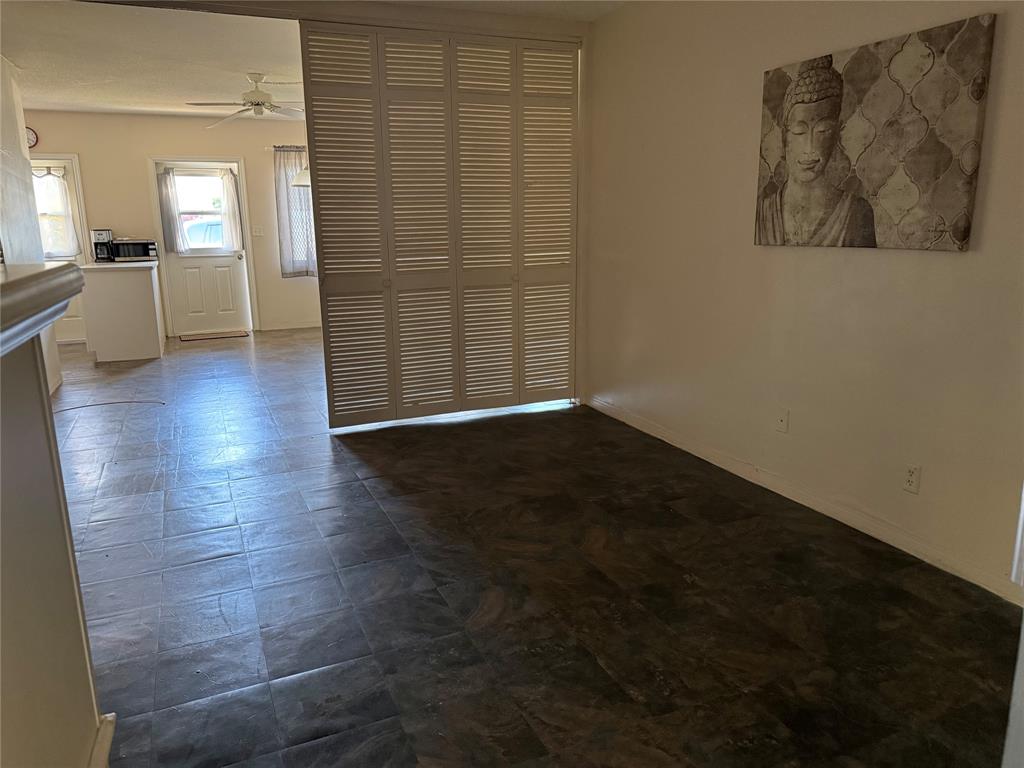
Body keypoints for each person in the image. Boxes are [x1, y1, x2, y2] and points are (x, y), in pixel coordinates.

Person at [756, 55, 876, 247]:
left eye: (823, 131)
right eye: (799, 132)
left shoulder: (856, 213)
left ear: (837, 134)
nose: (810, 149)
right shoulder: (763, 212)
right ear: (785, 137)